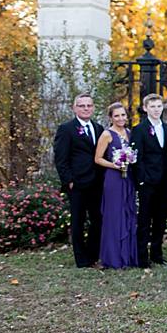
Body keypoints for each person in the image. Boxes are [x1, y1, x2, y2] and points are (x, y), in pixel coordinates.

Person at [53, 93, 104, 268]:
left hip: (97, 183)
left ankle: (92, 255)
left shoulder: (98, 128)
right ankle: (81, 259)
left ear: (93, 107)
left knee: (98, 219)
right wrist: (69, 181)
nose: (86, 108)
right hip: (78, 183)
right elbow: (61, 159)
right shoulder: (66, 129)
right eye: (82, 105)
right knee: (78, 222)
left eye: (89, 105)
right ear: (74, 108)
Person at [93, 102, 139, 269]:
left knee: (128, 213)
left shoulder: (128, 132)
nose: (121, 118)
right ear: (111, 118)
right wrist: (115, 165)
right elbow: (97, 158)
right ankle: (113, 257)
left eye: (123, 115)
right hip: (113, 178)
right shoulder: (107, 134)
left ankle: (127, 255)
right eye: (117, 116)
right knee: (114, 215)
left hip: (128, 178)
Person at [130, 93, 167, 266]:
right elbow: (137, 157)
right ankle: (142, 257)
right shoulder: (139, 130)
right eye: (152, 106)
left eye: (159, 106)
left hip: (165, 180)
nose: (156, 110)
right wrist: (142, 180)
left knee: (161, 218)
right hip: (148, 181)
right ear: (145, 108)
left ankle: (157, 253)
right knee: (145, 219)